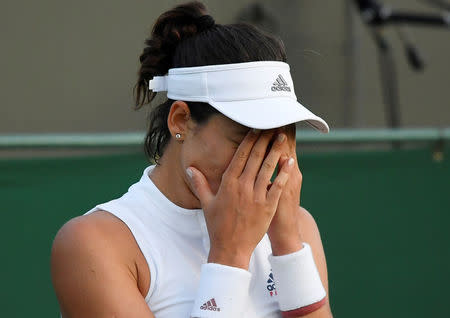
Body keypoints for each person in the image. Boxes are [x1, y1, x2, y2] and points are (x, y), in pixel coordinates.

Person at [51, 1, 333, 317]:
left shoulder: (297, 227)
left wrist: (287, 245)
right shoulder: (95, 244)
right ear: (181, 120)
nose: (263, 163)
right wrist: (230, 255)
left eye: (277, 140)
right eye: (243, 141)